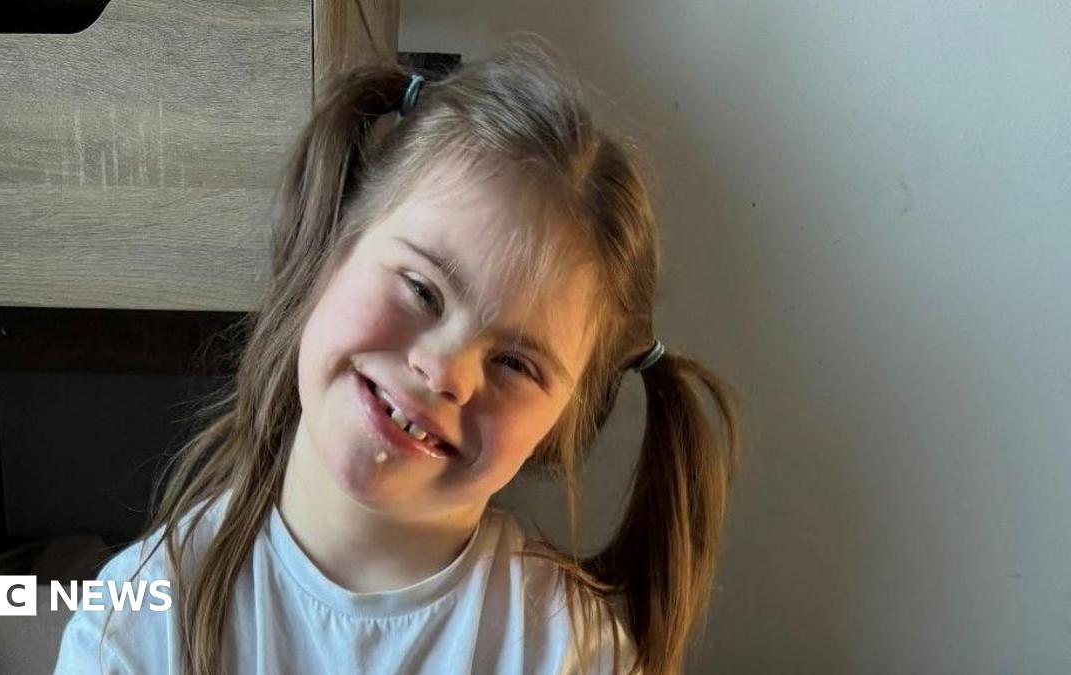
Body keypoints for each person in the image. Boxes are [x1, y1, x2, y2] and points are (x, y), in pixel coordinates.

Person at [53, 36, 740, 675]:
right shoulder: (135, 628)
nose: (445, 371)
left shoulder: (571, 652)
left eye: (516, 364)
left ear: (561, 424)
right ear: (331, 245)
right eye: (421, 289)